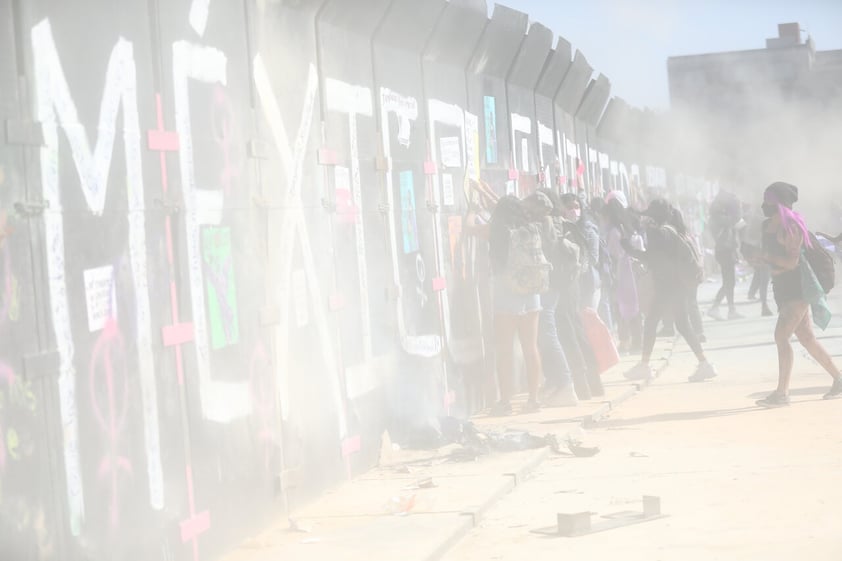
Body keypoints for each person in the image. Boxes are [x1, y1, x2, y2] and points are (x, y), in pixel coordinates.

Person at [755, 182, 842, 407]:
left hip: (798, 290)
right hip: (785, 289)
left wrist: (768, 259)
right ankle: (840, 379)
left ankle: (782, 394)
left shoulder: (790, 228)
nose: (764, 205)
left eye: (768, 200)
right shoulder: (769, 226)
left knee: (781, 336)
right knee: (806, 338)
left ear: (778, 203)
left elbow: (791, 262)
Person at [622, 199, 718, 382]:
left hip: (669, 286)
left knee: (652, 322)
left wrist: (629, 249)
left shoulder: (661, 233)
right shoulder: (671, 230)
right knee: (681, 324)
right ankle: (704, 363)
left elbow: (653, 258)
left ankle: (645, 365)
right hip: (676, 285)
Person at [487, 195, 546, 415]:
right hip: (531, 292)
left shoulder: (498, 230)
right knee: (531, 347)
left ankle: (505, 402)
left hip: (507, 292)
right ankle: (533, 400)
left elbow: (472, 228)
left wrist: (473, 211)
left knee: (505, 350)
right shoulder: (529, 228)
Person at [531, 189, 579, 407]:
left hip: (547, 285)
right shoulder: (557, 221)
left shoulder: (544, 223)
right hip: (556, 284)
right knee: (546, 335)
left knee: (548, 335)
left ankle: (566, 385)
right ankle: (557, 383)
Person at [707, 190, 743, 320]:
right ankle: (717, 307)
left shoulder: (718, 215)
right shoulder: (718, 217)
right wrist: (737, 207)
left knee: (730, 282)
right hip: (724, 251)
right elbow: (734, 219)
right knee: (729, 281)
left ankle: (729, 309)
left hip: (727, 250)